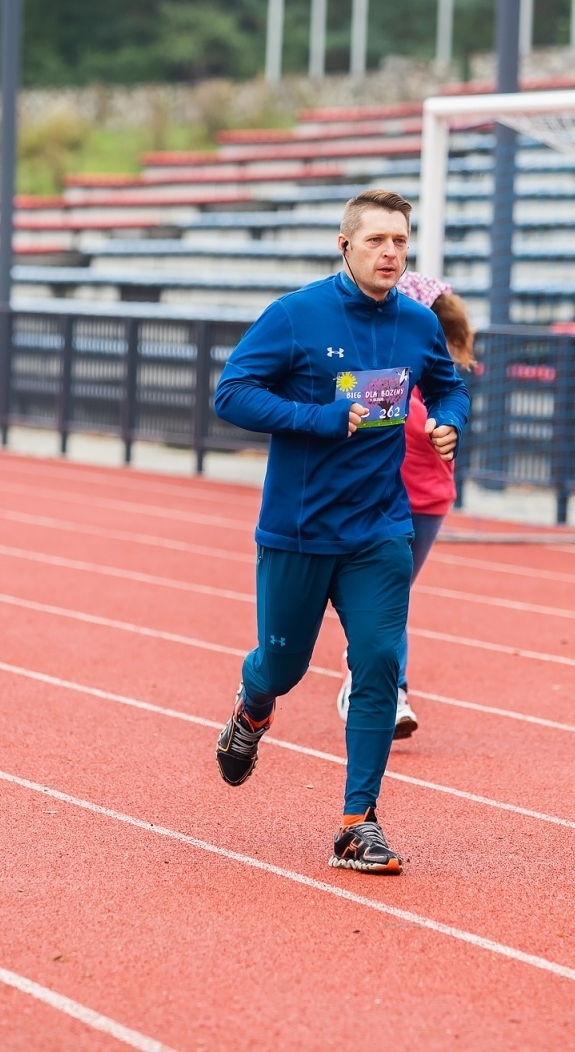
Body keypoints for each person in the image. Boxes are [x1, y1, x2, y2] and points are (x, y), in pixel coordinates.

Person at [211, 189, 469, 874]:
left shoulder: (417, 324)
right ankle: (252, 708)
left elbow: (450, 386)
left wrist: (449, 421)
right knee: (283, 668)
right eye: (377, 240)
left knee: (379, 662)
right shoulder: (295, 316)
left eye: (400, 243)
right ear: (344, 245)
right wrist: (319, 418)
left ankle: (360, 821)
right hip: (299, 530)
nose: (390, 252)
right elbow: (230, 392)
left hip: (379, 528)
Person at [334, 271, 476, 739]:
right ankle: (386, 685)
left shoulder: (438, 373)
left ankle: (375, 678)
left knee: (390, 597)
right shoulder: (377, 366)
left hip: (428, 500)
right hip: (377, 499)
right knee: (386, 596)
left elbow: (446, 408)